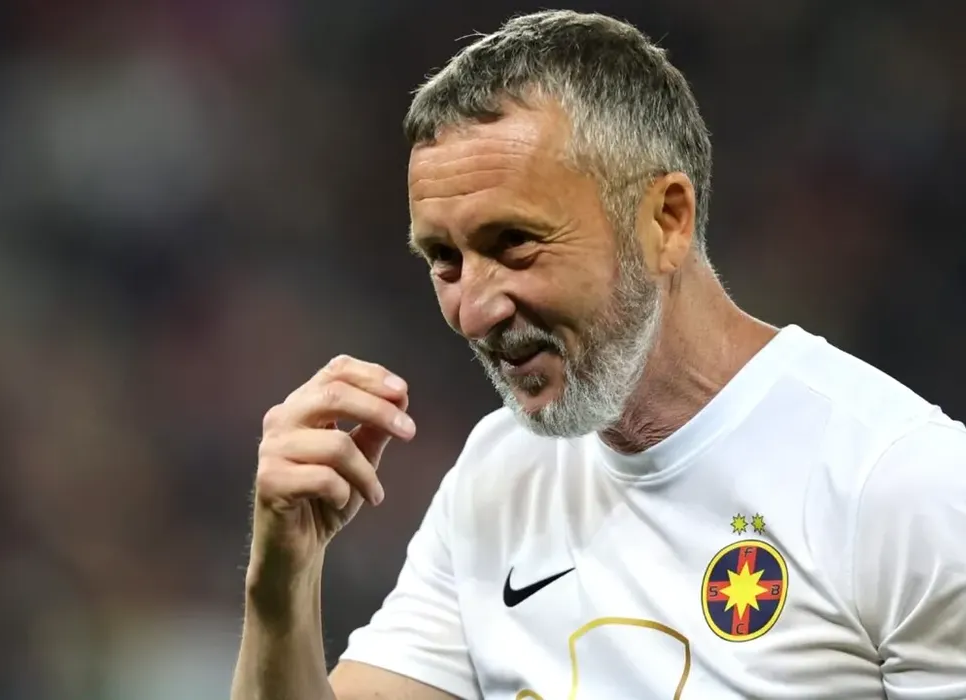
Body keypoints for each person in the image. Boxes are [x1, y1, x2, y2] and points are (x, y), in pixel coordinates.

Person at [231, 10, 966, 700]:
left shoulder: (901, 487)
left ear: (666, 221)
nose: (474, 311)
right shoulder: (497, 476)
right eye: (444, 259)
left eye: (514, 243)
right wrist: (281, 579)